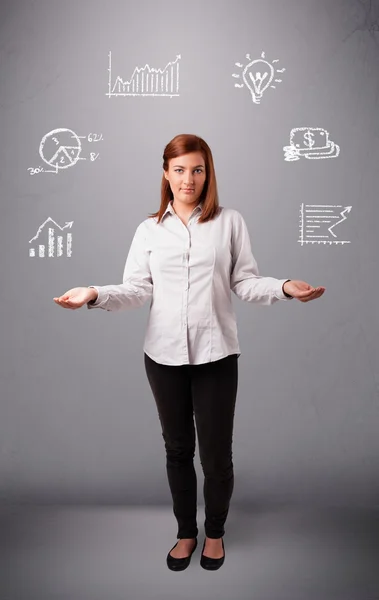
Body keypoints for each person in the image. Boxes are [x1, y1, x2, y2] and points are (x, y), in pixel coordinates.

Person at [54, 133, 325, 572]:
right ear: (166, 173)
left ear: (207, 173)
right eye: (179, 170)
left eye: (197, 170)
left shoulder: (229, 222)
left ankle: (214, 533)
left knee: (217, 455)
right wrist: (93, 293)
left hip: (217, 355)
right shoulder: (148, 229)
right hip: (162, 358)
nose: (188, 179)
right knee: (177, 450)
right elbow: (136, 290)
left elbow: (244, 282)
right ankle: (186, 532)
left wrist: (284, 288)